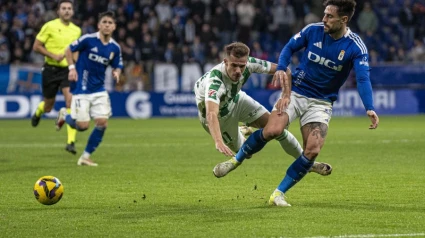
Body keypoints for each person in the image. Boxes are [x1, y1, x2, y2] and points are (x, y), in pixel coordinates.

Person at [213, 0, 380, 207]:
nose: (324, 19)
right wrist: (282, 67)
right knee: (272, 130)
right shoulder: (313, 31)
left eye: (329, 16)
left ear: (343, 20)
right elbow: (289, 47)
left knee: (313, 150)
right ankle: (235, 161)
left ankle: (278, 194)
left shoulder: (355, 46)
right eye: (324, 14)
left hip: (322, 102)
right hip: (296, 92)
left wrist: (369, 107)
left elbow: (363, 78)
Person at [194, 42, 332, 176]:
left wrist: (286, 95)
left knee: (275, 128)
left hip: (236, 100)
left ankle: (308, 164)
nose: (238, 71)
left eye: (241, 66)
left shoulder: (250, 63)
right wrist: (218, 141)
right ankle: (240, 131)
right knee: (248, 153)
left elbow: (285, 70)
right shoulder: (215, 82)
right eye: (234, 65)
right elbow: (212, 113)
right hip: (220, 117)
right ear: (225, 62)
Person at [55, 11, 123, 166]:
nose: (107, 25)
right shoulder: (88, 40)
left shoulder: (115, 47)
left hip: (99, 89)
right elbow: (68, 49)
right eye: (104, 22)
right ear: (99, 25)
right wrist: (72, 68)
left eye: (110, 23)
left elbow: (118, 65)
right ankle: (65, 115)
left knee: (102, 123)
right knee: (82, 126)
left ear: (114, 27)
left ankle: (85, 156)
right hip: (82, 88)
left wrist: (116, 72)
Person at [31, 0, 81, 155]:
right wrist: (53, 55)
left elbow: (76, 50)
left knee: (70, 102)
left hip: (67, 70)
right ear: (58, 11)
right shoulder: (49, 26)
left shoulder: (76, 30)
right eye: (63, 8)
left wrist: (74, 65)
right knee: (48, 106)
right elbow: (36, 46)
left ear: (72, 12)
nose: (66, 11)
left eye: (69, 8)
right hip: (50, 69)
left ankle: (70, 142)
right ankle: (39, 111)